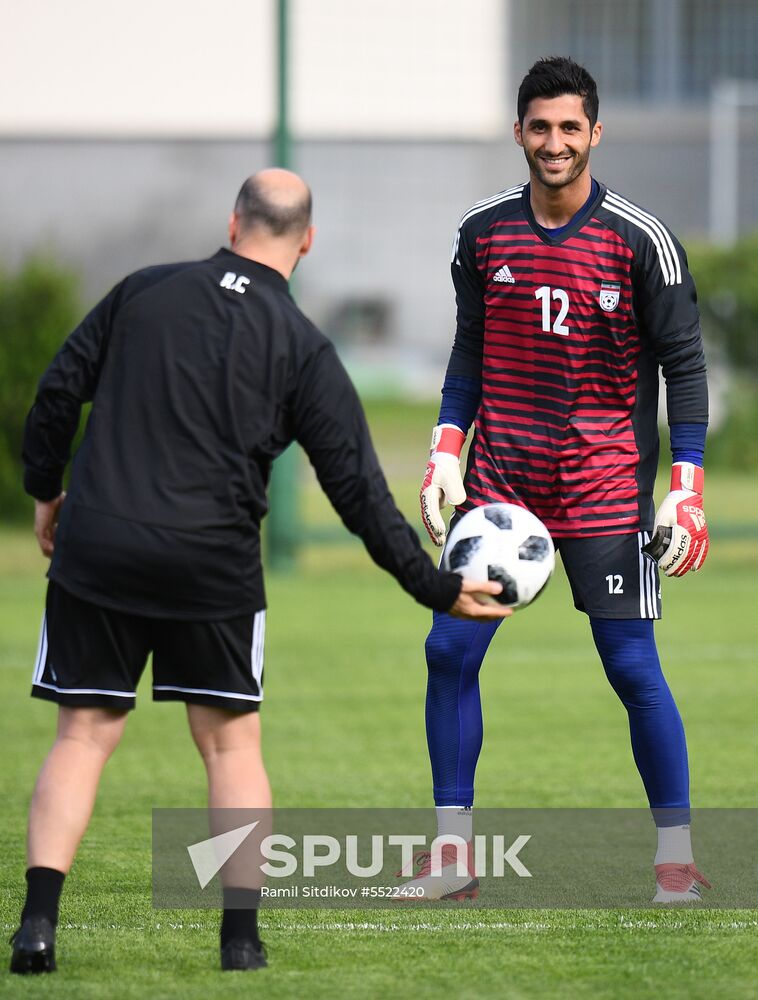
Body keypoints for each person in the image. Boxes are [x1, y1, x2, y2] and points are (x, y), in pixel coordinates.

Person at [11, 168, 511, 976]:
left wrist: (45, 492)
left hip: (98, 544)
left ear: (233, 221)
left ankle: (37, 927)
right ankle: (239, 942)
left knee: (85, 733)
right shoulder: (303, 347)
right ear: (306, 241)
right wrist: (438, 586)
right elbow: (357, 490)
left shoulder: (142, 292)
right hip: (210, 563)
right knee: (229, 747)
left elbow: (57, 393)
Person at [411, 57, 710, 903]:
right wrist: (444, 449)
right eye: (539, 127)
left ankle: (676, 860)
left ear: (595, 135)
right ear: (519, 133)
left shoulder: (640, 240)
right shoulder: (480, 234)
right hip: (502, 484)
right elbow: (470, 351)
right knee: (448, 651)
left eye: (569, 128)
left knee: (631, 667)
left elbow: (685, 371)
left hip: (607, 485)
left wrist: (683, 484)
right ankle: (451, 859)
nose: (554, 143)